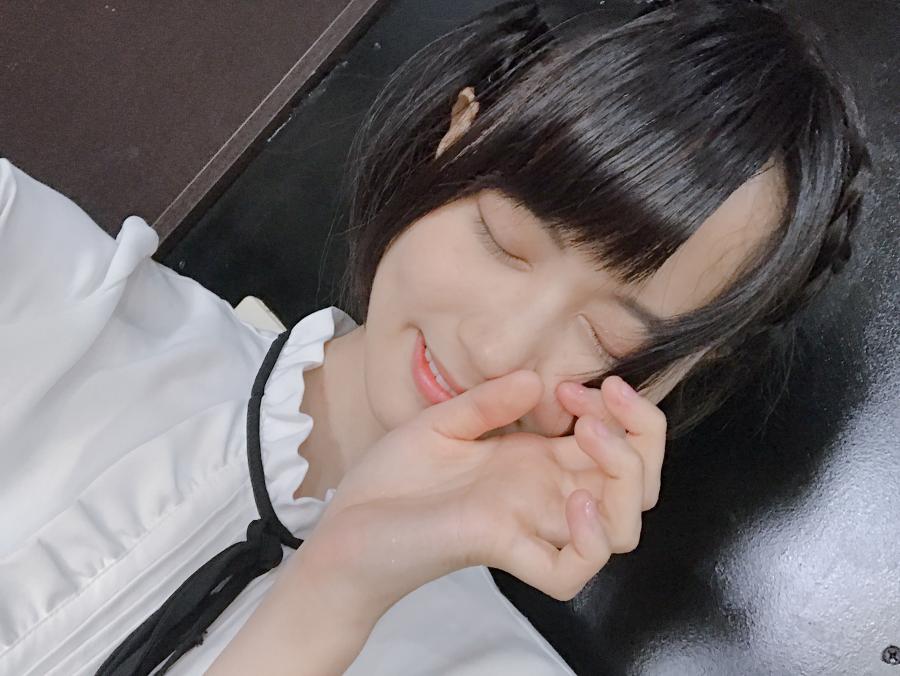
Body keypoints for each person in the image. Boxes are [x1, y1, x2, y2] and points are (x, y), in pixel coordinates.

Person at [0, 0, 869, 674]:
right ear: (457, 133)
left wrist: (340, 587)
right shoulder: (36, 277)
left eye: (607, 336)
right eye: (504, 240)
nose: (497, 349)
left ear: (677, 373)